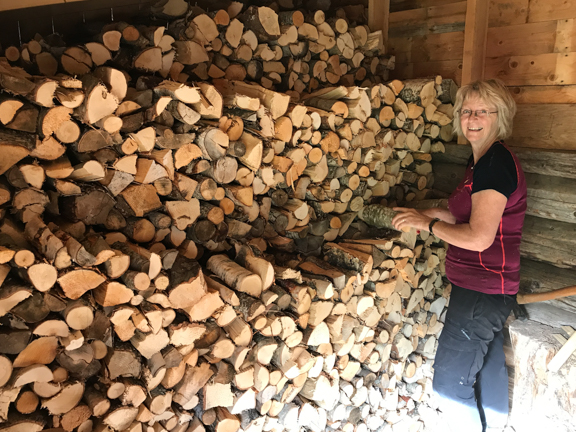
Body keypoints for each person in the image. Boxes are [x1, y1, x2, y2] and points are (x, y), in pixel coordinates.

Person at [391, 79, 527, 432]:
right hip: (488, 288)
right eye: (466, 110)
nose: (472, 118)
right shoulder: (481, 160)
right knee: (487, 367)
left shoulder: (495, 162)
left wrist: (428, 224)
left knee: (449, 386)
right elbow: (466, 217)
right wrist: (425, 215)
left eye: (482, 111)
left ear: (500, 116)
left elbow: (479, 237)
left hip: (483, 289)